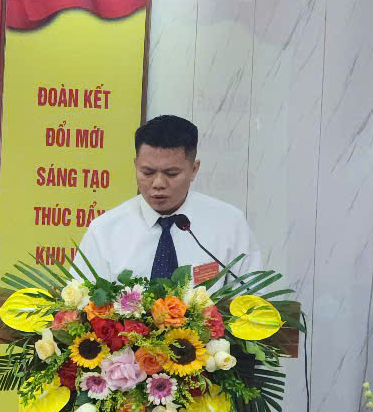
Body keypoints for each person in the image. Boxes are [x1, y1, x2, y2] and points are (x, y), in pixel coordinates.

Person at [74, 114, 265, 285]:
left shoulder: (229, 224)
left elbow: (252, 298)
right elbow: (78, 304)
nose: (158, 183)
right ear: (135, 165)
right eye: (147, 172)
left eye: (171, 173)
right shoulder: (104, 231)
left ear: (194, 169)